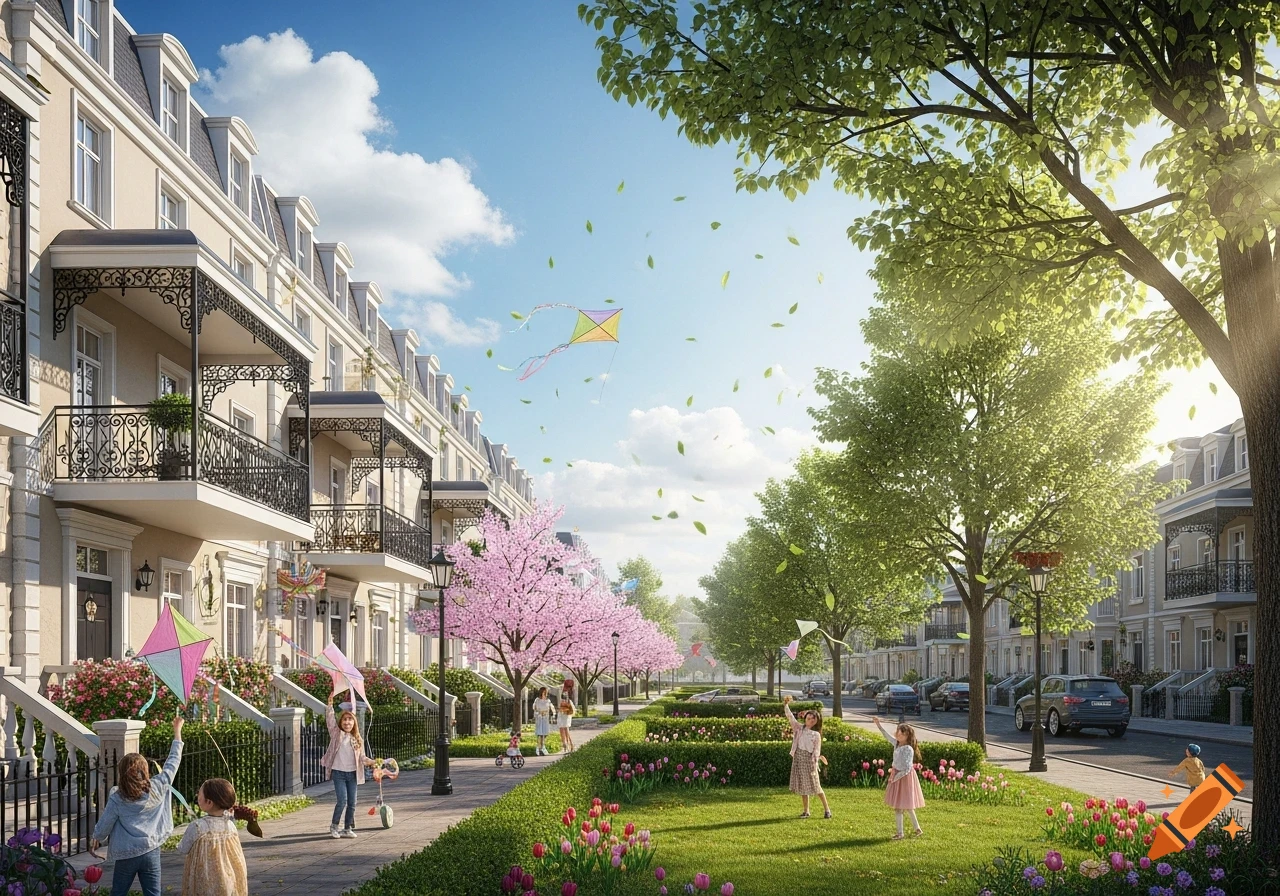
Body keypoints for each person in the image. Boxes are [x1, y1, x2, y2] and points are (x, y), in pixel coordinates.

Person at [91, 716, 184, 896]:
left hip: (127, 854)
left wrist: (96, 837)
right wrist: (177, 731)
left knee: (118, 892)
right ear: (146, 770)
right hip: (151, 850)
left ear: (122, 773)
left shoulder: (117, 797)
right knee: (153, 893)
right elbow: (174, 761)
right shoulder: (159, 786)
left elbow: (105, 824)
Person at [176, 778, 263, 896]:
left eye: (199, 794)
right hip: (230, 877)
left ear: (209, 802)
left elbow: (183, 848)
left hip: (205, 881)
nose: (197, 796)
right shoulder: (230, 826)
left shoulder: (197, 827)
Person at [320, 704, 378, 838]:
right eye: (344, 720)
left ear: (354, 723)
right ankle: (334, 826)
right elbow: (330, 721)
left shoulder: (357, 739)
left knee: (352, 802)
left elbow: (362, 757)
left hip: (352, 774)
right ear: (341, 722)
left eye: (350, 720)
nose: (347, 722)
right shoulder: (337, 734)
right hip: (338, 773)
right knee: (342, 801)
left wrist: (372, 762)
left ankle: (347, 828)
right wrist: (330, 707)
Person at [874, 716, 925, 839]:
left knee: (900, 807)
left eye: (900, 732)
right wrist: (878, 725)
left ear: (906, 735)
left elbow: (907, 768)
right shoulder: (897, 744)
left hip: (904, 777)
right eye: (897, 732)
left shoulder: (908, 749)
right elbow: (886, 736)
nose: (897, 734)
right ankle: (917, 829)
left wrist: (895, 777)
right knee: (907, 805)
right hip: (898, 775)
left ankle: (900, 833)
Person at [783, 695, 831, 819]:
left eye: (812, 719)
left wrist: (815, 763)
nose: (809, 720)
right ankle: (806, 811)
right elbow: (791, 718)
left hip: (809, 761)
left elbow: (816, 750)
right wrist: (786, 705)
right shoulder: (799, 729)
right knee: (803, 787)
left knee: (816, 786)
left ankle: (827, 810)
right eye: (808, 718)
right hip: (798, 758)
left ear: (816, 721)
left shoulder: (816, 735)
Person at [533, 686, 554, 756]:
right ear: (541, 692)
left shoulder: (548, 700)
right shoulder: (537, 700)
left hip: (545, 718)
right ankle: (538, 748)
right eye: (544, 691)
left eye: (546, 692)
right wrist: (539, 713)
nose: (545, 693)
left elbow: (549, 709)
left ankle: (542, 746)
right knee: (539, 733)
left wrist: (549, 713)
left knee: (545, 733)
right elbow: (535, 709)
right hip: (539, 718)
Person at [558, 680, 577, 753]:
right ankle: (569, 745)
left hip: (564, 711)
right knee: (565, 728)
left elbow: (563, 702)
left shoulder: (565, 692)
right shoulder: (571, 691)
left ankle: (567, 745)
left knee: (563, 729)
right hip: (567, 711)